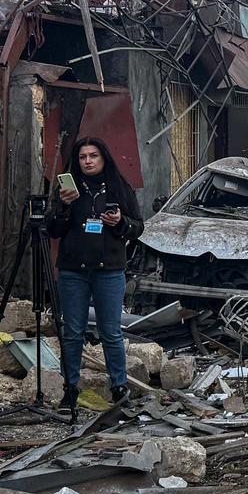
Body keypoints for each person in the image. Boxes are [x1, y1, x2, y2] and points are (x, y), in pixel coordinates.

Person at [48, 137, 143, 411]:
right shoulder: (67, 190)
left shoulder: (119, 187)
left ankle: (119, 388)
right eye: (82, 157)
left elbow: (138, 227)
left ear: (104, 158)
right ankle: (70, 390)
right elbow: (53, 230)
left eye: (93, 155)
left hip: (109, 271)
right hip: (73, 271)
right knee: (73, 332)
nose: (88, 161)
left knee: (111, 332)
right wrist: (64, 208)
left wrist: (120, 223)